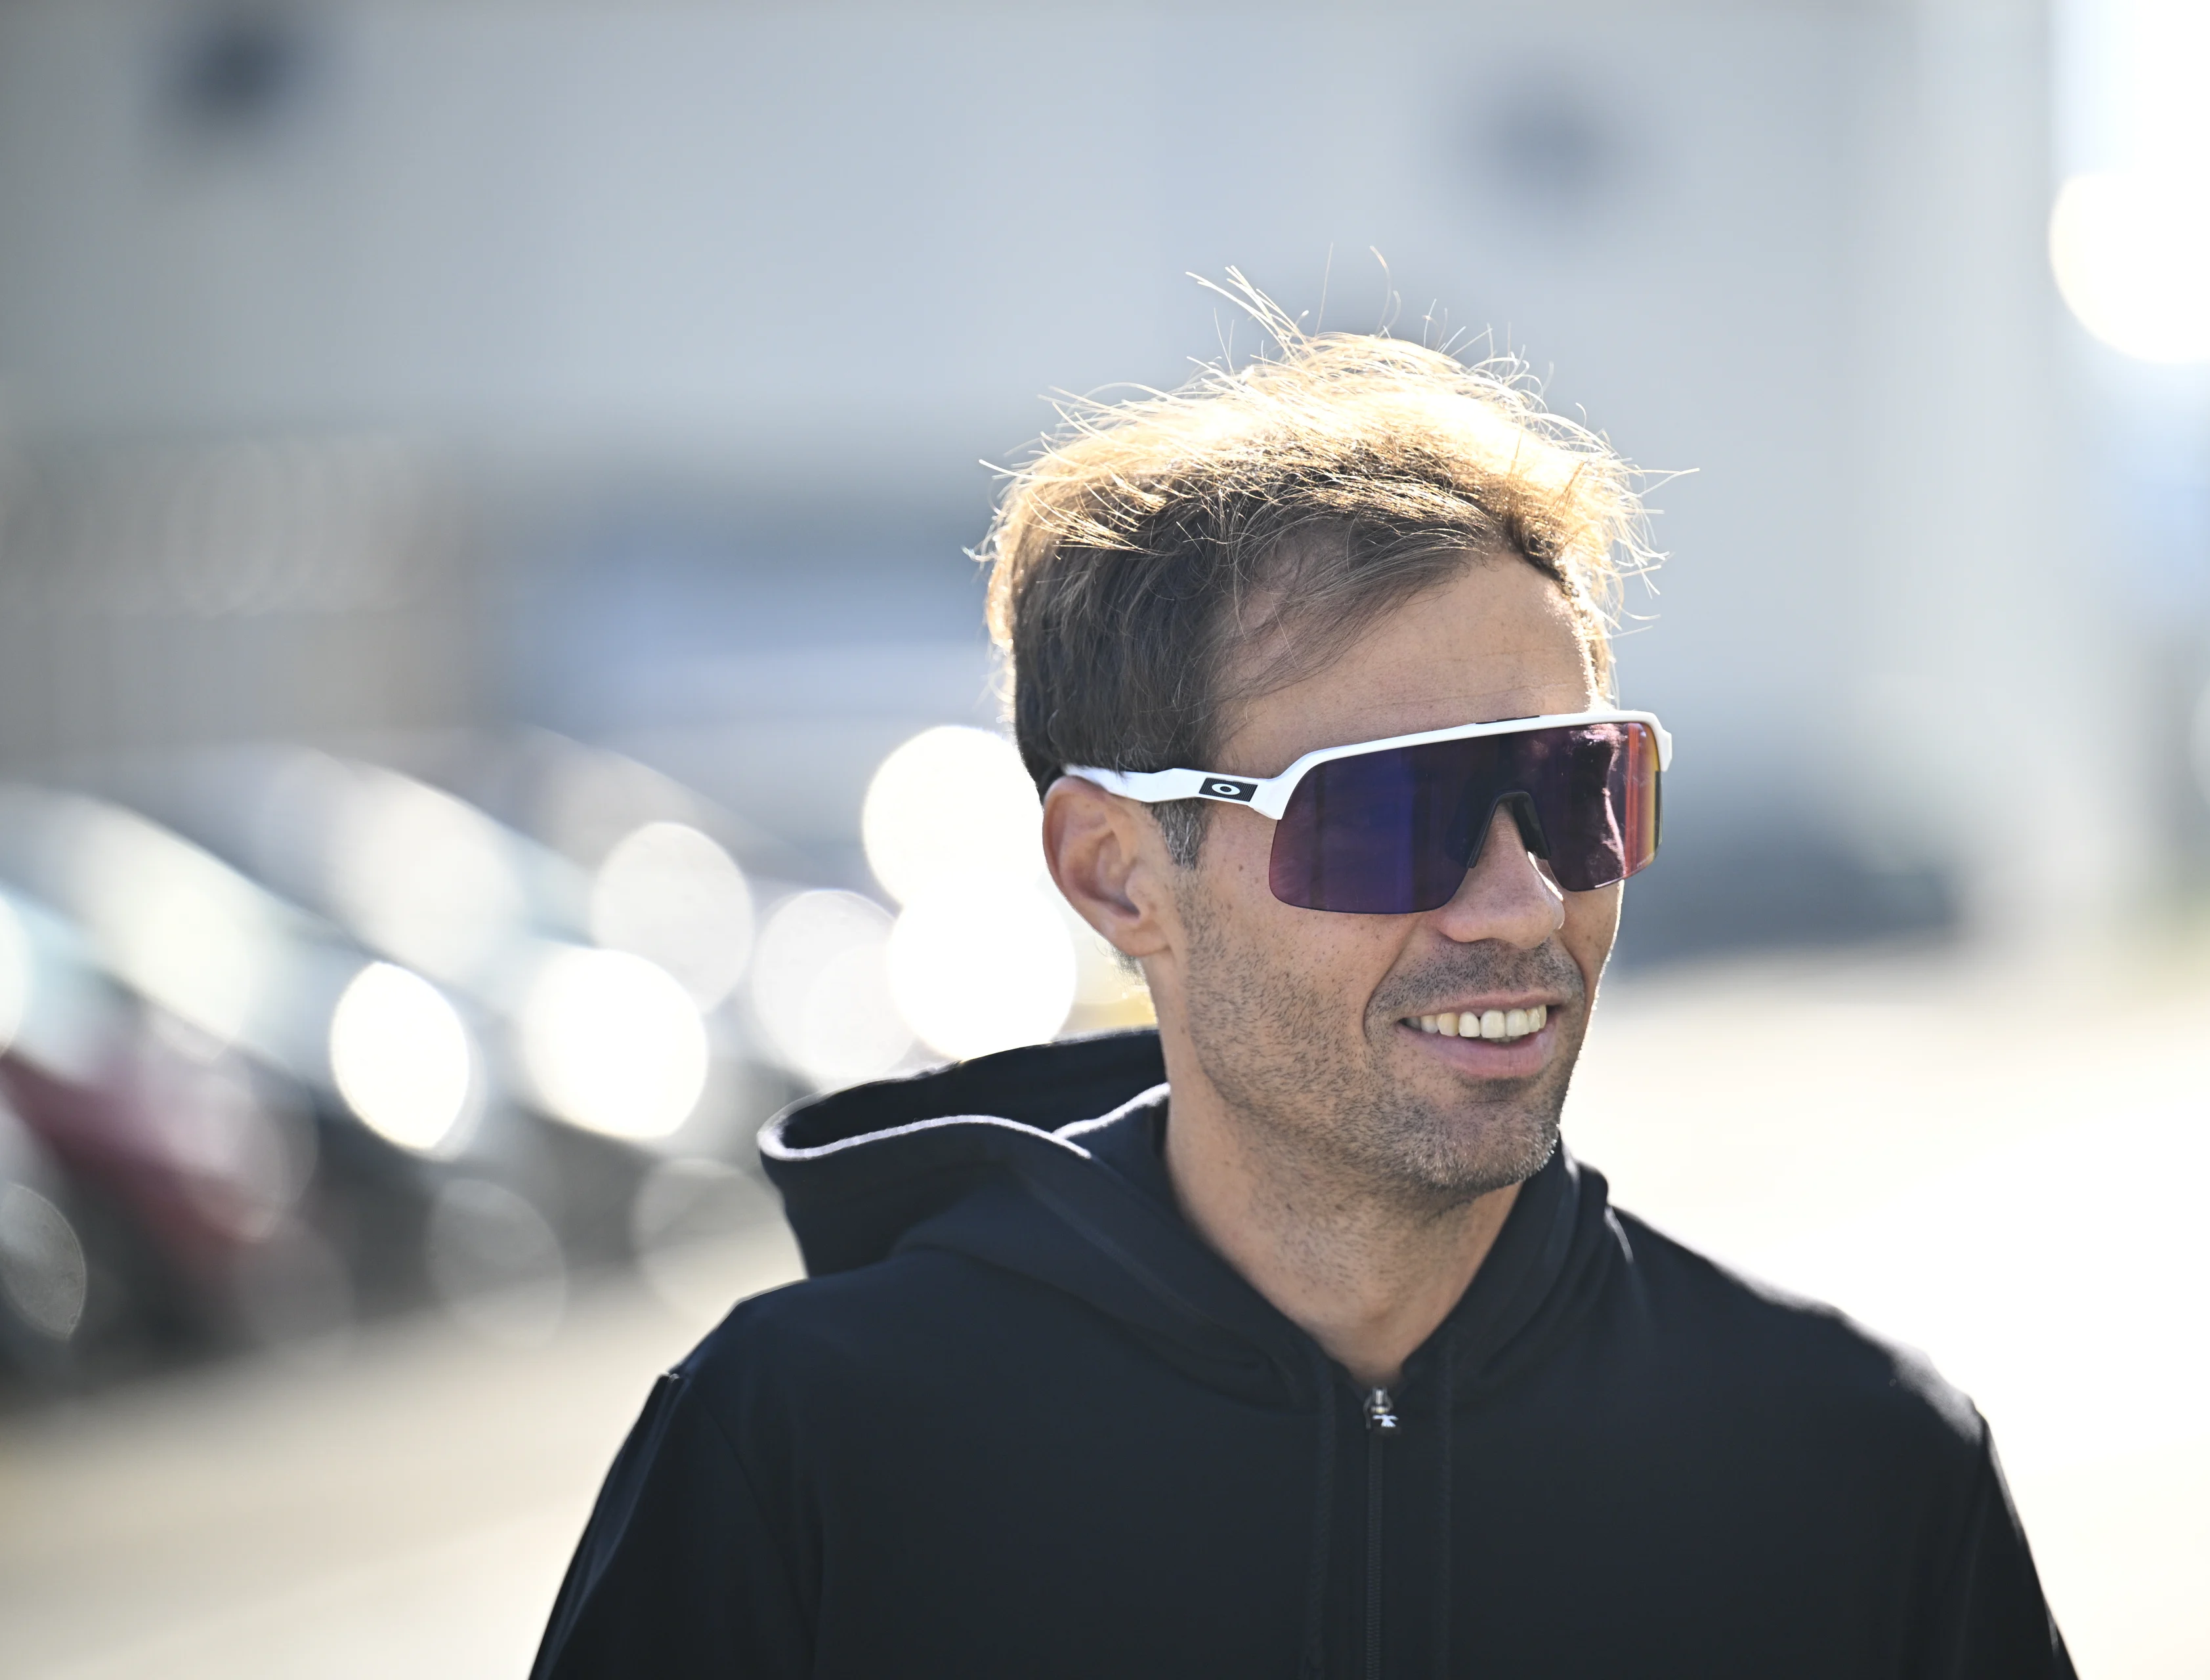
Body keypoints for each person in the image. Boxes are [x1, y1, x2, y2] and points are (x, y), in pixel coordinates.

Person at [532, 318, 2077, 1679]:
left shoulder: (1852, 1468)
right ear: (1118, 869)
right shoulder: (805, 1449)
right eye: (1392, 813)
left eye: (1573, 791)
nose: (1524, 899)